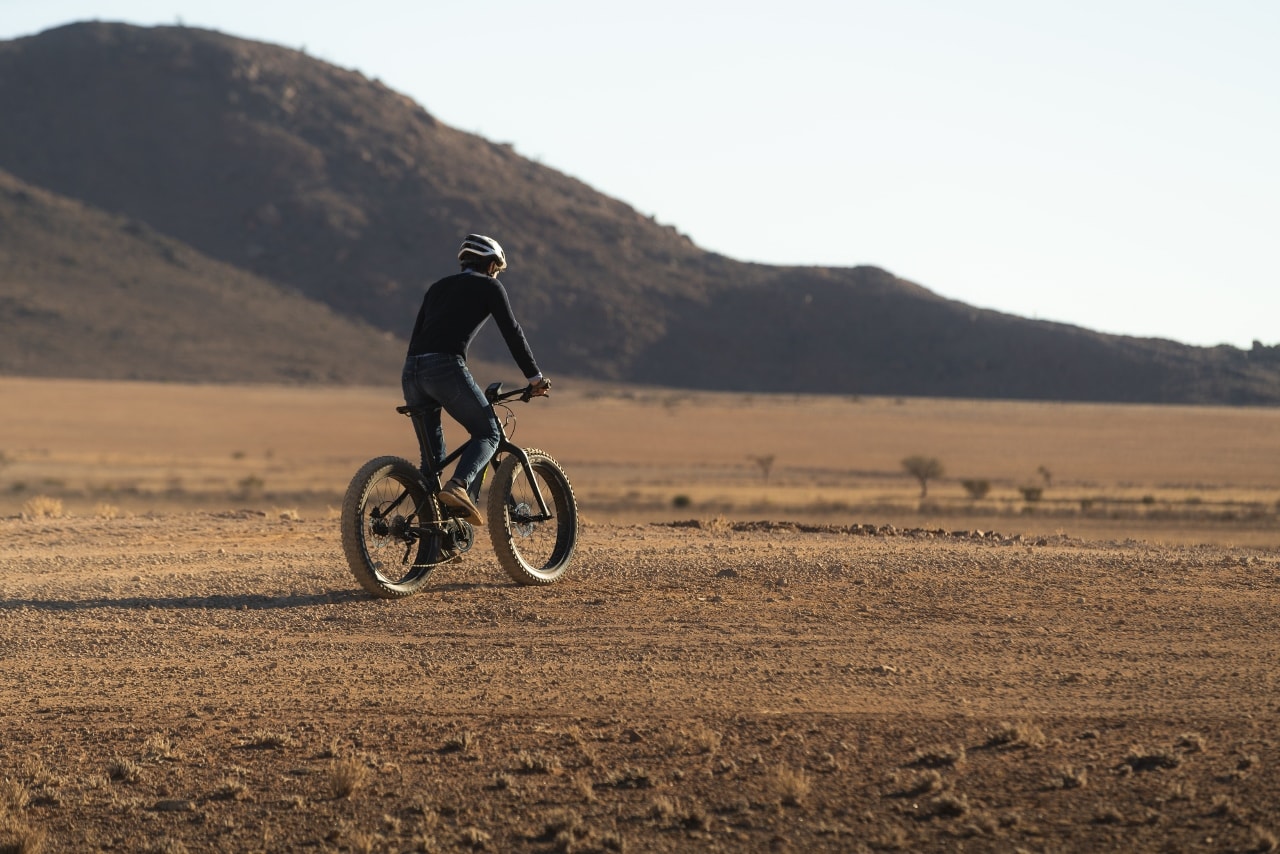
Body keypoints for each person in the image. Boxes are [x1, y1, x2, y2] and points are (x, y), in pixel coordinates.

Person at [402, 234, 550, 526]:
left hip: (411, 372)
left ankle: (435, 538)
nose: (497, 273)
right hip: (444, 367)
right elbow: (512, 331)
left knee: (432, 463)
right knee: (489, 434)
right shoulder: (489, 286)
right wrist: (534, 378)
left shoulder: (436, 288)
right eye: (497, 268)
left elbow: (417, 337)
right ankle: (458, 486)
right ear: (491, 264)